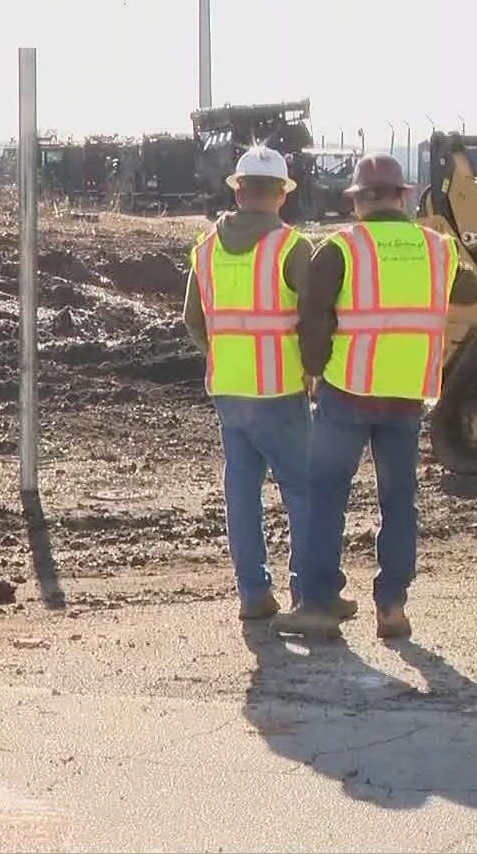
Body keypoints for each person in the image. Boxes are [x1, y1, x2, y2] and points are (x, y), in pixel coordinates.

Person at [277, 153, 477, 640]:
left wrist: (313, 370)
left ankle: (319, 601)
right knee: (398, 500)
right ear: (404, 196)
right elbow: (471, 290)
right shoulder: (438, 248)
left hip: (348, 391)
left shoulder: (341, 249)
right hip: (407, 397)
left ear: (356, 199)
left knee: (327, 495)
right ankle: (391, 606)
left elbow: (313, 316)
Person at [183, 146, 318, 621]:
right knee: (302, 492)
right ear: (282, 195)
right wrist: (311, 370)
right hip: (280, 389)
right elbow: (316, 319)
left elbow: (193, 320)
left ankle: (253, 593)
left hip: (228, 389)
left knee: (242, 490)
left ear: (238, 190)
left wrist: (225, 354)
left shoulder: (206, 249)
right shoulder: (293, 247)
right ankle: (309, 593)